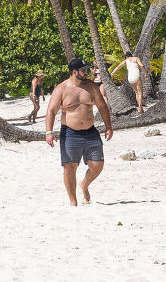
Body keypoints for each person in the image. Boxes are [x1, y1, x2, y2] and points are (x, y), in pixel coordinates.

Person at [43, 57, 113, 206]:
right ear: (75, 72)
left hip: (90, 131)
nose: (86, 72)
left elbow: (101, 106)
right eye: (83, 70)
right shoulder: (61, 88)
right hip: (70, 133)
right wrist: (49, 132)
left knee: (97, 165)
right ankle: (73, 202)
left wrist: (108, 126)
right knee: (70, 166)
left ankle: (84, 185)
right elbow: (51, 111)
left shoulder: (91, 86)